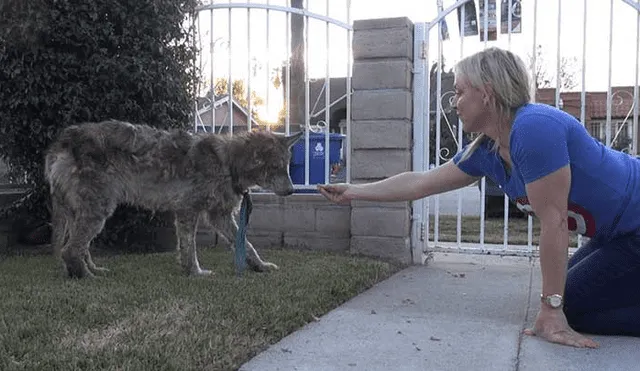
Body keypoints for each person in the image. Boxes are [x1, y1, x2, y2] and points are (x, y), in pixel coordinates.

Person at [317, 46, 640, 349]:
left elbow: (555, 223)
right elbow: (421, 183)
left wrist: (552, 311)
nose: (453, 103)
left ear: (486, 93)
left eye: (458, 92)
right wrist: (353, 192)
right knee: (566, 294)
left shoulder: (534, 128)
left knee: (574, 307)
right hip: (618, 233)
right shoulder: (488, 150)